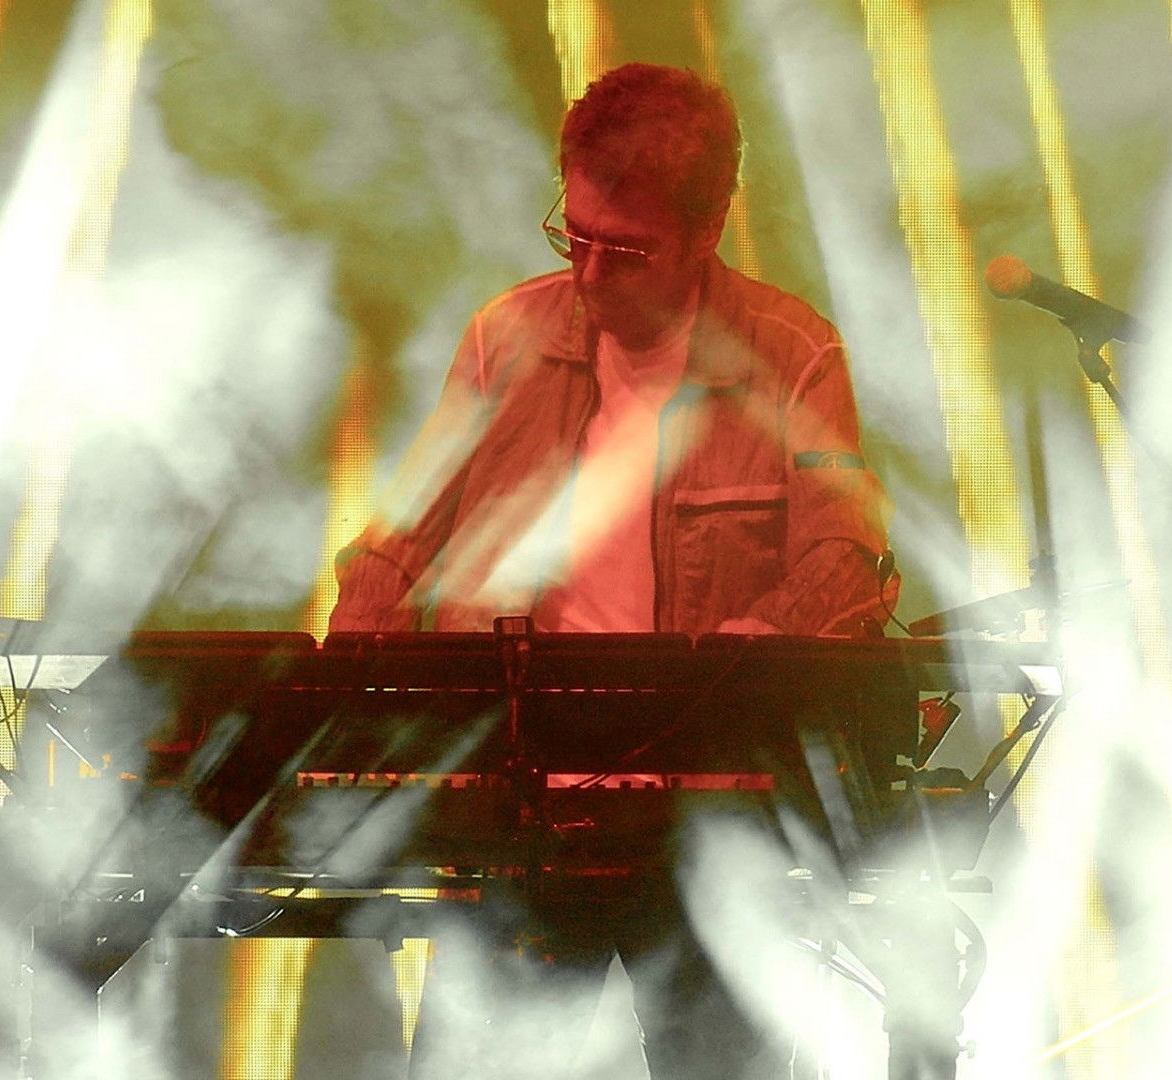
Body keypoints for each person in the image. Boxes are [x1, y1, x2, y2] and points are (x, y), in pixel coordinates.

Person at [327, 63, 895, 1078]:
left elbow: (844, 559)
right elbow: (394, 542)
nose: (590, 277)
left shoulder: (792, 353)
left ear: (707, 228)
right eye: (574, 237)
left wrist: (738, 664)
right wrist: (348, 692)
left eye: (625, 251)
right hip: (525, 802)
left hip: (708, 819)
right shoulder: (506, 339)